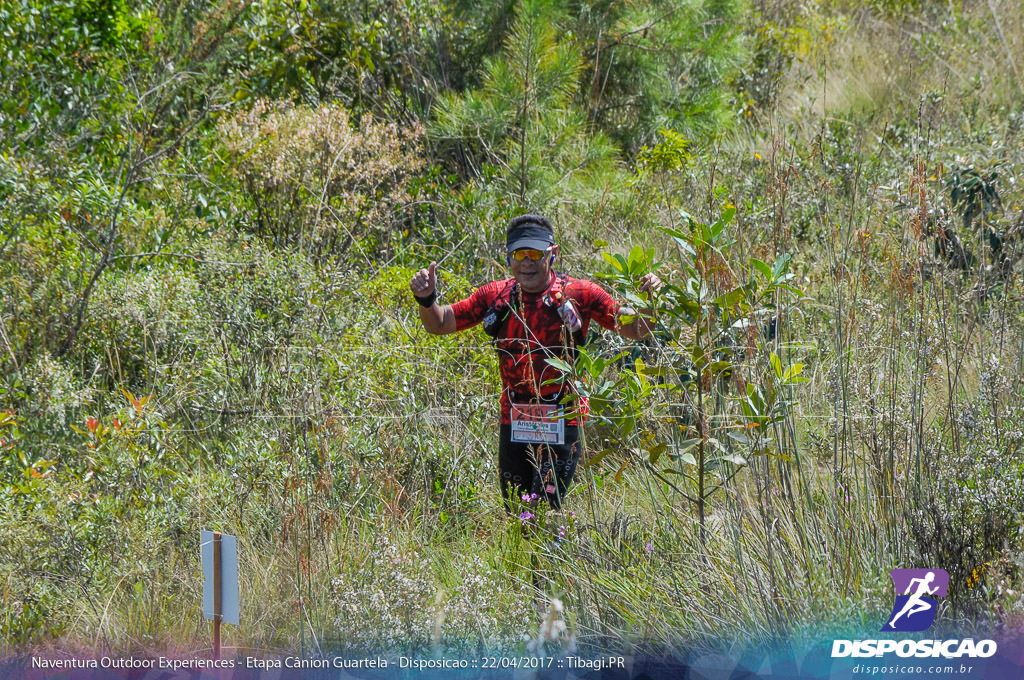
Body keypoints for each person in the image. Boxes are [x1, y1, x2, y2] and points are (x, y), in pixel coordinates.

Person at [410, 214, 660, 511]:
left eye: (535, 254)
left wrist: (650, 301)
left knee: (545, 507)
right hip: (514, 418)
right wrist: (427, 300)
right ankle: (523, 557)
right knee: (517, 510)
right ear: (508, 257)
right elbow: (441, 323)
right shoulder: (495, 295)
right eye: (519, 254)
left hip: (563, 415)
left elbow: (635, 329)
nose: (526, 262)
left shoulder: (580, 293)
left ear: (553, 254)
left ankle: (549, 554)